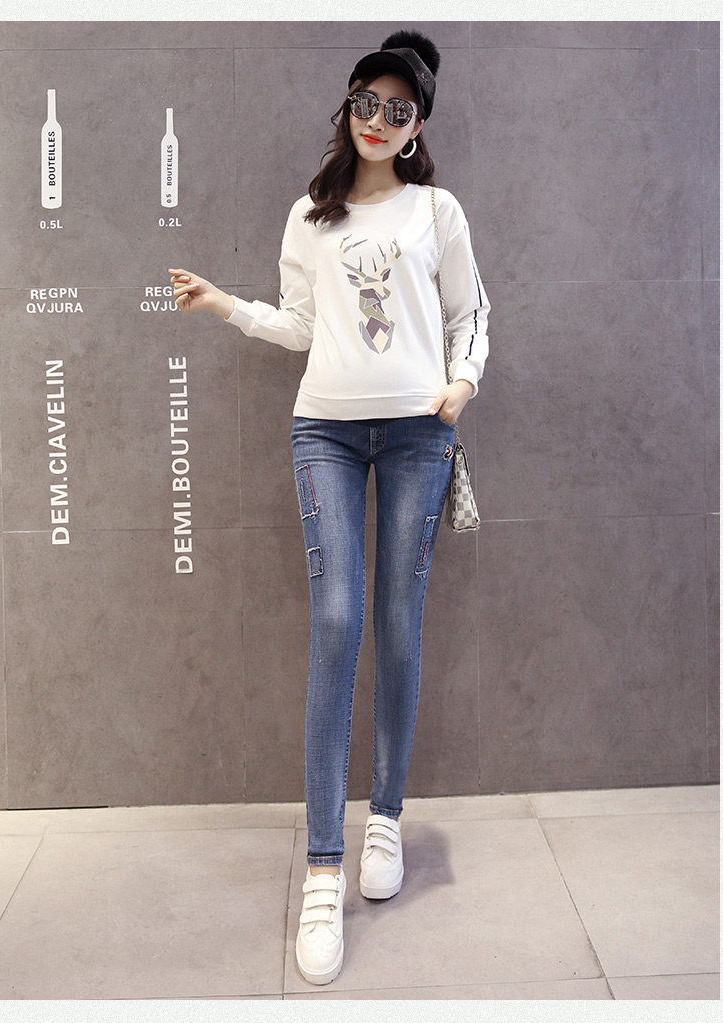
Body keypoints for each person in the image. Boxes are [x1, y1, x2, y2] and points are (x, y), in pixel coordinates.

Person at [167, 28, 489, 986]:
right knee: (339, 618)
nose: (379, 121)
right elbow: (302, 324)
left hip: (421, 434)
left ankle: (383, 818)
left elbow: (471, 313)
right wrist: (226, 305)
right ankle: (321, 868)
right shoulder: (311, 217)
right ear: (347, 108)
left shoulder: (437, 210)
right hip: (327, 434)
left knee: (398, 620)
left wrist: (463, 382)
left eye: (399, 110)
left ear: (417, 125)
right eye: (367, 104)